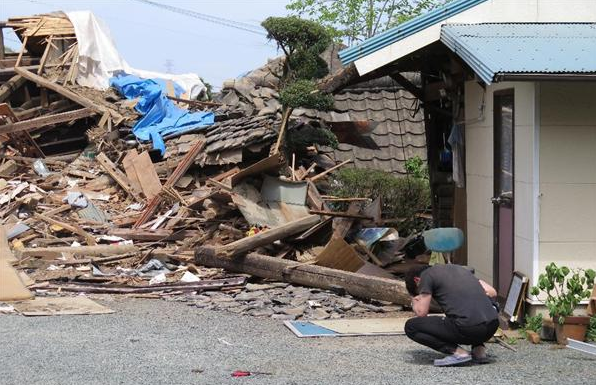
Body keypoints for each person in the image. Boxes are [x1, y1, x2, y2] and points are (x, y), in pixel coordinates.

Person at [404, 264, 499, 366]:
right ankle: (479, 352)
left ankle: (459, 354)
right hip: (492, 326)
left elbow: (421, 313)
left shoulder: (426, 276)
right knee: (471, 310)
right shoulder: (460, 269)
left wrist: (414, 302)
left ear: (417, 280)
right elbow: (492, 292)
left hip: (469, 329)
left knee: (411, 326)